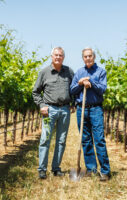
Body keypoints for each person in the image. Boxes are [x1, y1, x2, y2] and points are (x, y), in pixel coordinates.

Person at [32, 47, 74, 179]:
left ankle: (56, 168)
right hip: (49, 111)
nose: (58, 57)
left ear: (63, 57)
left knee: (61, 140)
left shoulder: (69, 71)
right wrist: (42, 105)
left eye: (60, 55)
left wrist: (72, 103)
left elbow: (74, 89)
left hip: (65, 110)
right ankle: (42, 169)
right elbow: (35, 92)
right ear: (51, 56)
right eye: (56, 55)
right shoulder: (44, 72)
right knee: (45, 139)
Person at [70, 47, 111, 181]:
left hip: (95, 109)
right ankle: (91, 168)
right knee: (86, 140)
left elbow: (102, 89)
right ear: (83, 58)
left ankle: (105, 171)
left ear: (94, 57)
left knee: (99, 139)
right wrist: (80, 83)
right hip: (82, 108)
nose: (88, 58)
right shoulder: (79, 72)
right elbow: (72, 90)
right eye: (85, 56)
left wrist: (91, 82)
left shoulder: (101, 72)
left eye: (90, 56)